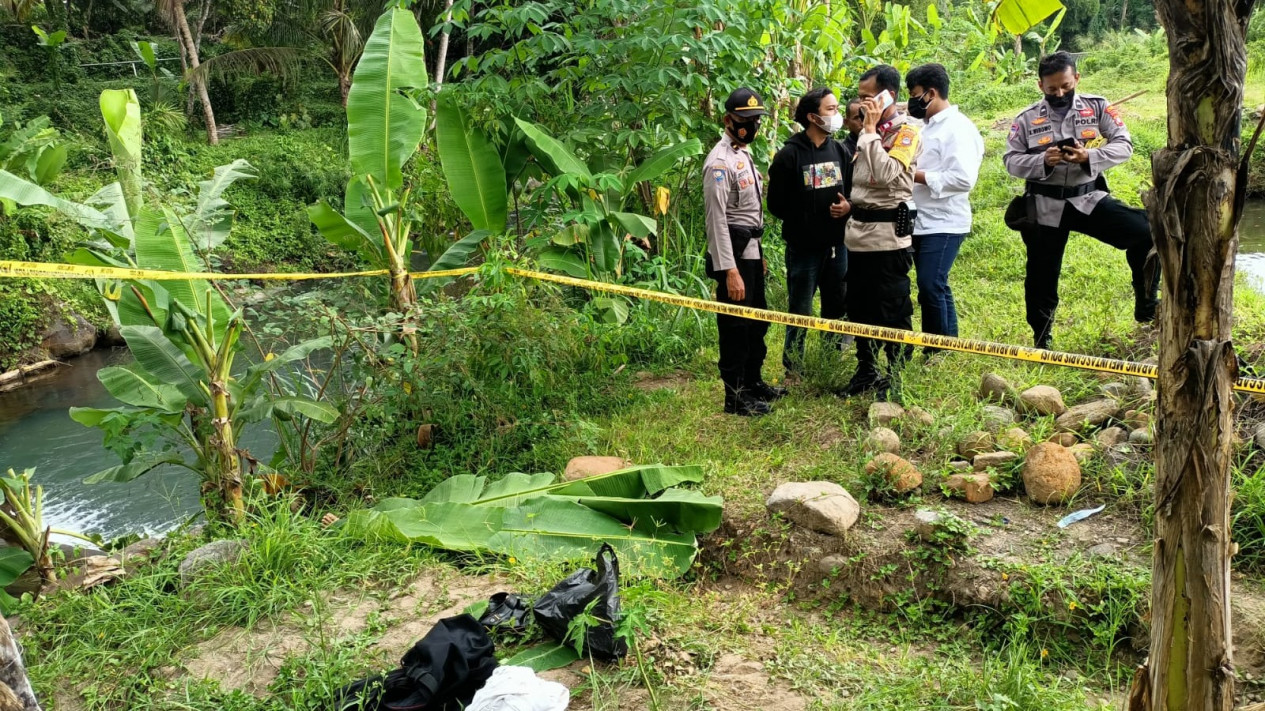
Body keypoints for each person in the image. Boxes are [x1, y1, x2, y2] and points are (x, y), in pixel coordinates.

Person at [1002, 51, 1158, 349]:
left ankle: (1147, 302)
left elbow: (1124, 145)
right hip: (1044, 206)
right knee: (1041, 276)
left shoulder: (1097, 107)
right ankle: (1042, 338)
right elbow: (1010, 160)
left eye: (1065, 86)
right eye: (1052, 89)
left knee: (1147, 232)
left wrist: (1090, 156)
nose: (1059, 93)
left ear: (1076, 78)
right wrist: (1043, 161)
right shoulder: (1026, 119)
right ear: (1040, 86)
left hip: (1088, 198)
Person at [840, 65, 922, 400]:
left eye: (867, 97)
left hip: (888, 238)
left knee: (892, 308)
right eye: (859, 98)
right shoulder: (867, 134)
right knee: (859, 307)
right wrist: (868, 132)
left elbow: (888, 174)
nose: (861, 105)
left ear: (888, 96)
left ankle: (897, 375)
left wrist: (871, 132)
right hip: (858, 235)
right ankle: (866, 370)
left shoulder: (905, 133)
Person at [703, 87, 785, 416]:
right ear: (728, 120)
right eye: (745, 120)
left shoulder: (743, 154)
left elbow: (750, 212)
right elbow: (717, 221)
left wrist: (759, 252)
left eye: (756, 120)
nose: (752, 126)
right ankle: (734, 395)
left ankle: (752, 382)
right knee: (736, 327)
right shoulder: (719, 163)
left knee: (757, 321)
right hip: (733, 255)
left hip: (750, 248)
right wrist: (730, 270)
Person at [767, 87, 852, 378]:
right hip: (803, 248)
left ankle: (830, 360)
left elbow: (852, 192)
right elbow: (775, 204)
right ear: (813, 117)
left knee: (836, 304)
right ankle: (794, 368)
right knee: (800, 308)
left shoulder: (839, 149)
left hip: (837, 247)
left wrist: (848, 207)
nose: (837, 115)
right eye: (831, 109)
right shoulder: (789, 155)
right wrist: (806, 217)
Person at [905, 63, 984, 352]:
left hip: (945, 222)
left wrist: (914, 175)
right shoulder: (923, 126)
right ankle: (948, 342)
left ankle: (935, 348)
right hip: (920, 218)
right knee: (935, 284)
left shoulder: (958, 129)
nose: (912, 101)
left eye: (915, 95)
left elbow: (963, 179)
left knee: (929, 284)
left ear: (932, 93)